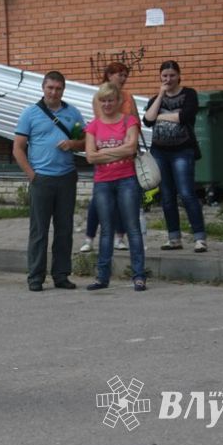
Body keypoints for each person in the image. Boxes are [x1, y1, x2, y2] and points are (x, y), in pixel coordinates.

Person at [13, 70, 85, 292]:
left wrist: (72, 145)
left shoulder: (73, 113)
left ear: (63, 90)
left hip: (66, 177)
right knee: (39, 230)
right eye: (50, 88)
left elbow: (84, 142)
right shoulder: (30, 113)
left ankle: (61, 275)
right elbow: (18, 148)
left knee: (64, 229)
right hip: (42, 178)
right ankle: (35, 276)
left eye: (58, 88)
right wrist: (31, 174)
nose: (54, 92)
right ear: (43, 88)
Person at [84, 83, 146, 291]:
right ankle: (102, 277)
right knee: (106, 229)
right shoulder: (93, 125)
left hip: (127, 179)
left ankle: (139, 276)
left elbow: (132, 148)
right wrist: (120, 151)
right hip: (103, 182)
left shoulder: (129, 121)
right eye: (103, 100)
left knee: (132, 228)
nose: (107, 104)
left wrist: (105, 154)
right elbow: (90, 156)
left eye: (111, 99)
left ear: (119, 101)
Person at [143, 60, 207, 253]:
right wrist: (161, 95)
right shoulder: (156, 98)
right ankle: (174, 238)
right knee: (167, 196)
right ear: (160, 78)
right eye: (164, 76)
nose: (168, 79)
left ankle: (199, 238)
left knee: (186, 193)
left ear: (179, 75)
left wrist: (160, 117)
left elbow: (185, 117)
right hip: (160, 152)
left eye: (172, 75)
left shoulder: (189, 94)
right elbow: (147, 120)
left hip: (182, 150)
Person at [81, 62, 140, 253]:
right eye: (119, 75)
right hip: (107, 149)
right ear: (109, 75)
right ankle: (89, 237)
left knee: (125, 202)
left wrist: (129, 145)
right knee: (98, 202)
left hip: (125, 153)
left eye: (125, 75)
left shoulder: (128, 96)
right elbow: (103, 123)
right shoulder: (102, 95)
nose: (123, 78)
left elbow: (134, 120)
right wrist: (118, 149)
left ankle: (120, 237)